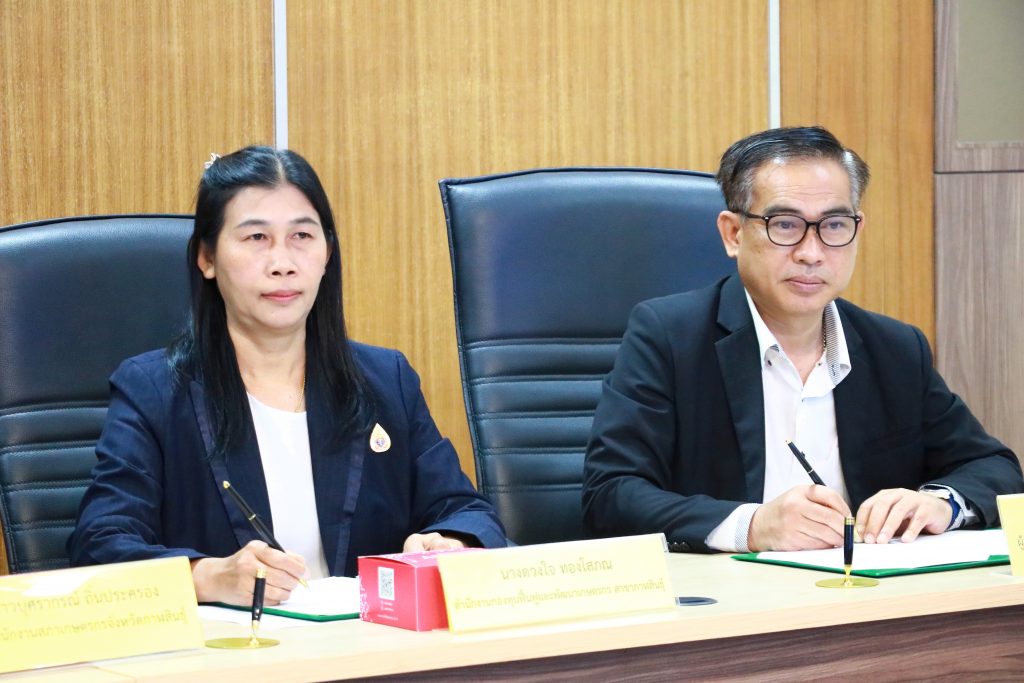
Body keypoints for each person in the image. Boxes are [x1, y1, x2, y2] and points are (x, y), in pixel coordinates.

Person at [69, 146, 506, 604]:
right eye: (256, 237)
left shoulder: (385, 380)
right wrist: (207, 577)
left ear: (327, 253)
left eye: (302, 235)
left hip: (369, 640)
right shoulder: (154, 392)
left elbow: (467, 511)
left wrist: (451, 543)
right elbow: (100, 546)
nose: (283, 262)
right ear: (207, 258)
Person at [582, 126, 1024, 553]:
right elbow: (611, 495)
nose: (811, 253)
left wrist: (941, 503)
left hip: (868, 590)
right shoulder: (670, 337)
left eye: (834, 225)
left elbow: (993, 467)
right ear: (733, 233)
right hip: (729, 592)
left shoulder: (894, 347)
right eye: (785, 225)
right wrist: (752, 526)